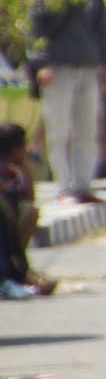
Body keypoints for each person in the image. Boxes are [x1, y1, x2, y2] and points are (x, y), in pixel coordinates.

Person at [28, 0, 106, 205]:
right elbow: (36, 29)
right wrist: (40, 63)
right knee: (59, 129)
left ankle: (83, 183)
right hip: (58, 65)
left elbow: (101, 28)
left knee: (87, 127)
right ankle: (64, 186)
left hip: (87, 65)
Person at [0, 121, 53, 298]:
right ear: (14, 149)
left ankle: (18, 268)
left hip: (10, 234)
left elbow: (29, 200)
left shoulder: (14, 172)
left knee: (29, 212)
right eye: (23, 146)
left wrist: (25, 169)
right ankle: (14, 271)